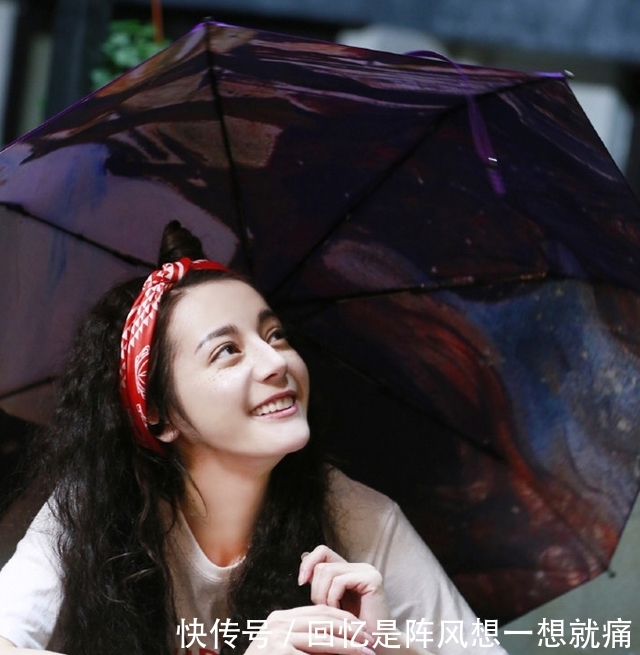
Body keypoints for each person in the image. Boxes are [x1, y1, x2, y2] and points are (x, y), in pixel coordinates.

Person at [0, 222, 506, 655]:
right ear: (158, 415)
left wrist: (388, 649)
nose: (275, 362)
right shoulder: (92, 508)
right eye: (226, 351)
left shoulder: (359, 519)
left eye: (275, 335)